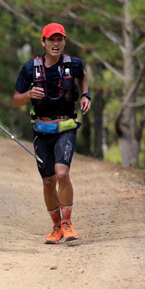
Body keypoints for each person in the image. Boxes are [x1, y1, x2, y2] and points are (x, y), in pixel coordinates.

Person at [13, 23, 91, 244]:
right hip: (41, 129)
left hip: (66, 127)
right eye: (51, 40)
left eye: (60, 39)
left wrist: (86, 96)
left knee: (62, 174)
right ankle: (56, 226)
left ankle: (67, 223)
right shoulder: (30, 68)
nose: (55, 44)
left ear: (64, 41)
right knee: (48, 181)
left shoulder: (73, 64)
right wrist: (28, 93)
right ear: (43, 42)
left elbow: (82, 76)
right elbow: (16, 100)